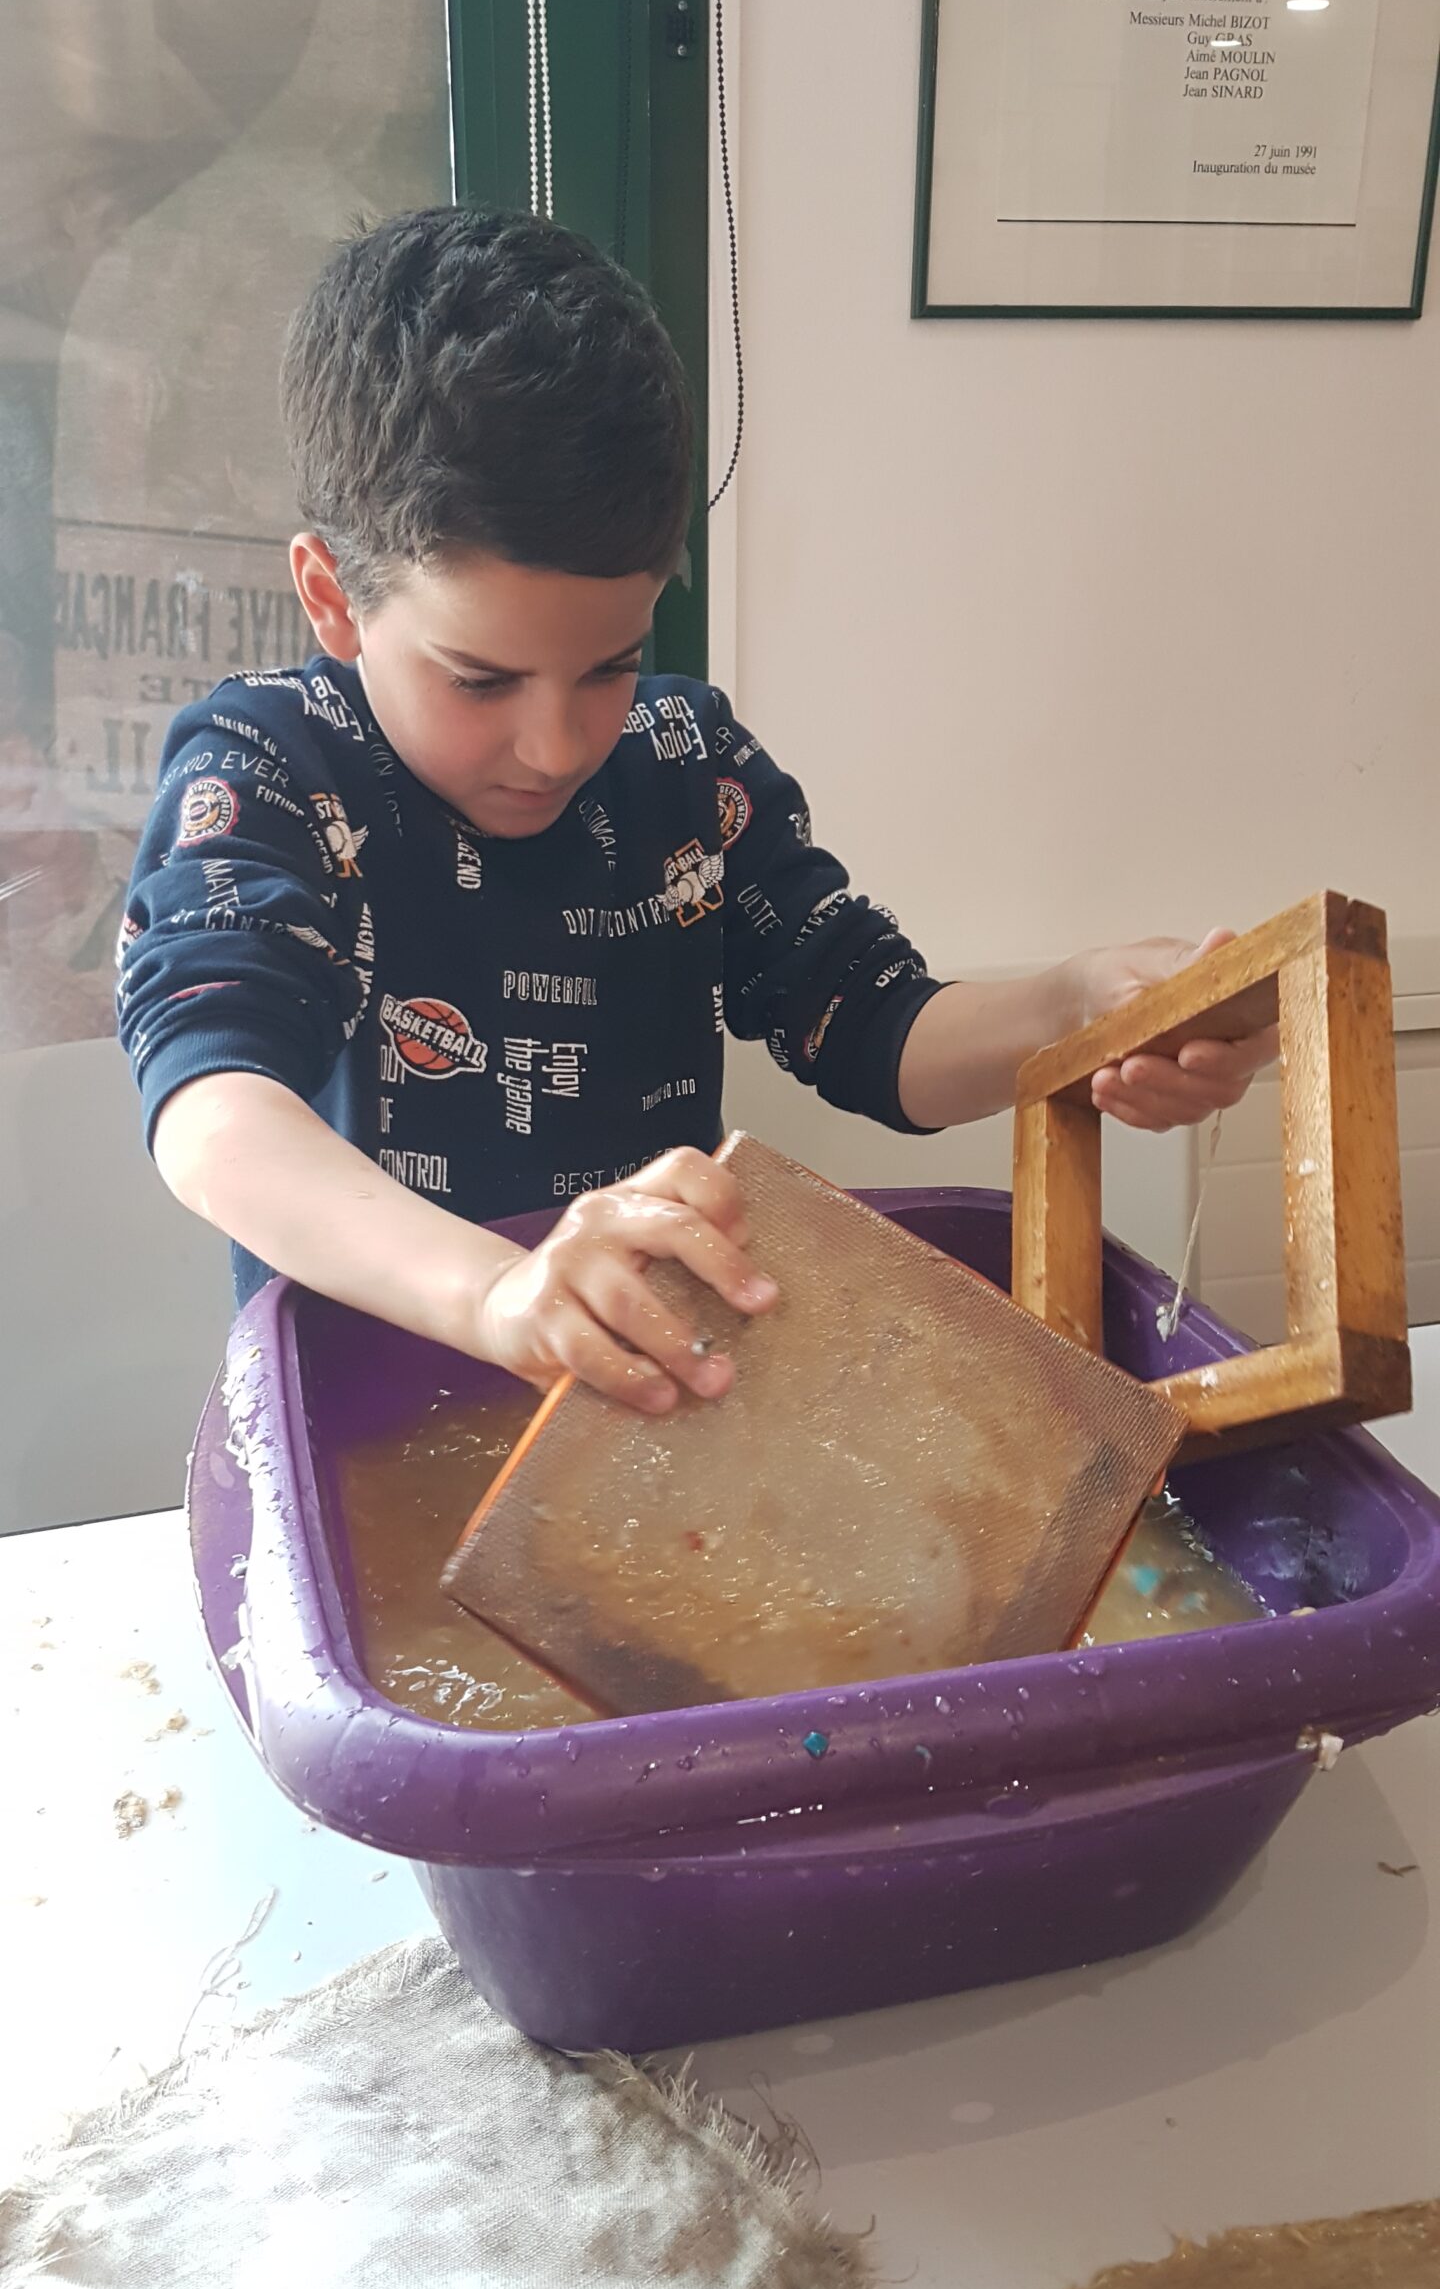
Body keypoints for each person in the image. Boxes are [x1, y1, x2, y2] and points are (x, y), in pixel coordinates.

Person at [118, 206, 1272, 1416]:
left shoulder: (683, 765)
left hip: (651, 1415)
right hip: (368, 1421)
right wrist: (500, 1294)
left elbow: (876, 1029)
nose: (557, 746)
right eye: (482, 680)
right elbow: (214, 1114)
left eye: (610, 665)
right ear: (331, 597)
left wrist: (1072, 1010)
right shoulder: (270, 767)